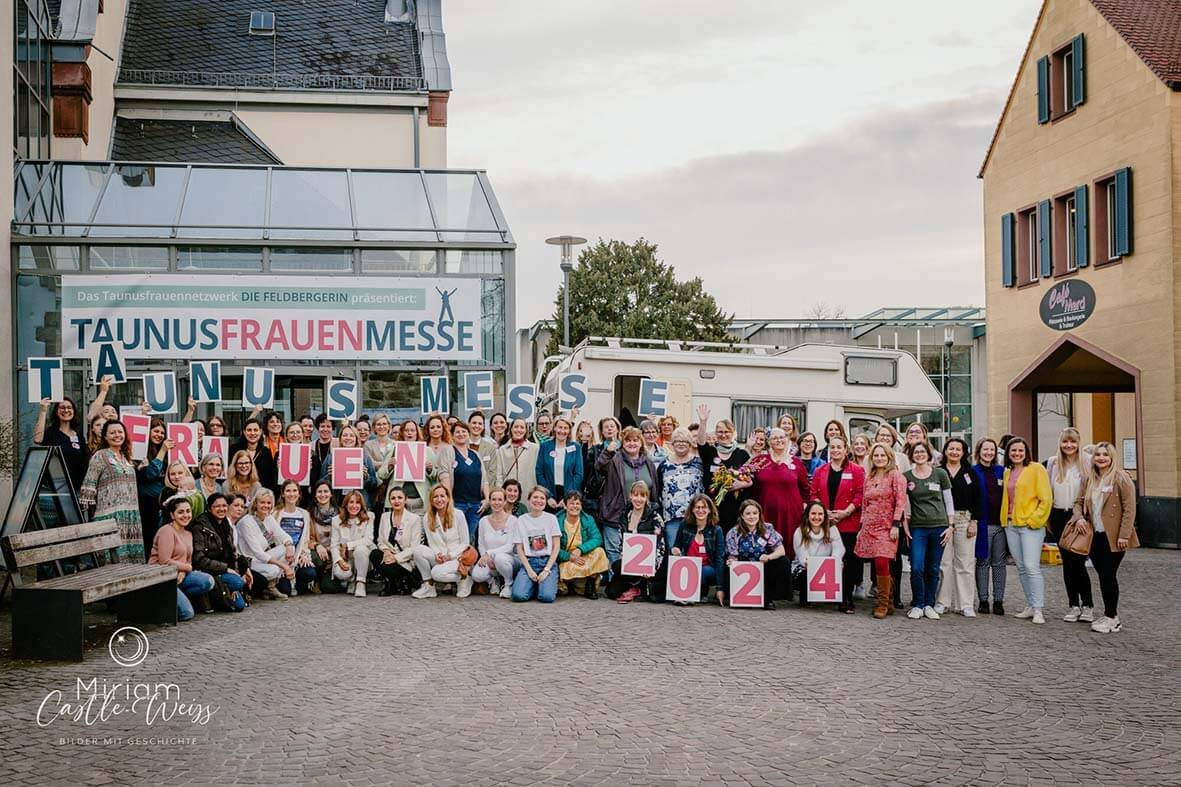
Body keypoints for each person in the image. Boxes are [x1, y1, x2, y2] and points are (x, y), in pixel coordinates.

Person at [1071, 441, 1139, 633]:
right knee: (1103, 575)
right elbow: (1078, 502)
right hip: (1094, 536)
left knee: (1109, 575)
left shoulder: (1121, 478)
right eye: (1098, 455)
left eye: (1105, 455)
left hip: (1114, 536)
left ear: (1112, 458)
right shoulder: (1089, 479)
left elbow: (1129, 509)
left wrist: (1124, 535)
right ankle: (1110, 613)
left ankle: (1112, 617)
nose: (1101, 458)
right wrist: (1079, 519)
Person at [732, 428, 810, 570]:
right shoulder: (759, 461)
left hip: (791, 515)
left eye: (782, 437)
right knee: (764, 545)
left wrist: (804, 506)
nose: (779, 440)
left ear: (788, 440)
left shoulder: (797, 463)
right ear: (769, 442)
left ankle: (788, 579)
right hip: (764, 514)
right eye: (775, 438)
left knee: (788, 546)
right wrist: (740, 482)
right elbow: (742, 476)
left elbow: (805, 490)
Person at [1000, 437, 1052, 625]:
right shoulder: (1008, 472)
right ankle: (1030, 604)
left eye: (1020, 450)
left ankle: (1038, 609)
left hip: (1030, 526)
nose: (1017, 454)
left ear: (1026, 452)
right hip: (1011, 524)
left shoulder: (1036, 469)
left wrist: (1034, 520)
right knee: (1021, 567)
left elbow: (1046, 498)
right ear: (1008, 453)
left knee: (1031, 567)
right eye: (1013, 451)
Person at [810, 435, 865, 613]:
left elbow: (860, 495)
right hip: (825, 521)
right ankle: (828, 594)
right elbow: (813, 494)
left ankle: (846, 598)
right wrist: (824, 512)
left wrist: (845, 512)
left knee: (848, 560)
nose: (835, 450)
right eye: (832, 447)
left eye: (839, 447)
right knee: (828, 558)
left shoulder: (856, 470)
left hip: (848, 521)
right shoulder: (820, 470)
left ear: (846, 449)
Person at [595, 426, 659, 572]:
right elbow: (599, 467)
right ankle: (615, 584)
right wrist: (608, 452)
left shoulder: (649, 463)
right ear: (622, 443)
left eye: (635, 440)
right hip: (615, 513)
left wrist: (654, 509)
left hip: (641, 516)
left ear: (641, 443)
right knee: (614, 552)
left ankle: (634, 586)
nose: (632, 443)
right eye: (628, 440)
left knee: (636, 551)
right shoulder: (615, 460)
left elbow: (654, 487)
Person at [79, 420, 144, 561]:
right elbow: (89, 484)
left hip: (130, 517)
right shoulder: (100, 456)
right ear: (105, 437)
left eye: (120, 432)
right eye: (112, 432)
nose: (117, 435)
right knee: (113, 560)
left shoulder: (127, 458)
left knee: (131, 560)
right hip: (110, 517)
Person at [855, 444, 907, 619]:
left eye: (882, 455)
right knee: (876, 563)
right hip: (869, 525)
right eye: (876, 455)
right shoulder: (869, 477)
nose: (879, 458)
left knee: (882, 562)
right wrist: (862, 526)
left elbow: (900, 502)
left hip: (887, 527)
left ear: (889, 456)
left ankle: (882, 603)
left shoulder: (895, 476)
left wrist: (895, 525)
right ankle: (890, 601)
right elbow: (864, 504)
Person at [903, 442, 954, 620]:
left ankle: (929, 604)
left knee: (933, 567)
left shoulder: (940, 473)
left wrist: (951, 525)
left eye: (922, 452)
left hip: (939, 526)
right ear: (912, 455)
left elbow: (948, 501)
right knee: (917, 566)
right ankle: (917, 604)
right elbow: (902, 504)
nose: (919, 455)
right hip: (918, 528)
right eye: (916, 452)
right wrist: (905, 527)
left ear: (928, 454)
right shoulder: (907, 476)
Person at [1046, 427, 1092, 621]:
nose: (1069, 445)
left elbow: (1089, 491)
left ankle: (1088, 605)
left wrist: (1082, 515)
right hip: (1058, 516)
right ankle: (1073, 605)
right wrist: (1047, 518)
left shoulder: (1087, 462)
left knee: (1079, 561)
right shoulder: (1053, 463)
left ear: (1078, 442)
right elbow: (1048, 490)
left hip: (1078, 517)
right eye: (1065, 442)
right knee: (1067, 564)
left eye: (1072, 442)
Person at [933, 438, 980, 617]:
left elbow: (978, 498)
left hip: (964, 519)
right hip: (942, 521)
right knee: (944, 562)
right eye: (950, 448)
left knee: (965, 563)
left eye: (958, 449)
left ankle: (965, 604)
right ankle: (943, 602)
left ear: (963, 452)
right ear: (945, 451)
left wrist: (974, 521)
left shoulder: (970, 473)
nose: (954, 452)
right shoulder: (938, 472)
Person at [150, 495, 215, 620]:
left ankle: (177, 598)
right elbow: (164, 561)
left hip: (179, 575)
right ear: (172, 515)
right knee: (187, 614)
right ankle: (163, 602)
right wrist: (187, 567)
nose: (185, 515)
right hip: (161, 577)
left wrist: (183, 571)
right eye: (180, 512)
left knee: (208, 581)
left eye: (188, 511)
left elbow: (187, 558)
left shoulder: (188, 533)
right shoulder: (166, 531)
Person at [604, 481, 666, 603]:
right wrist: (623, 554)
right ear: (630, 496)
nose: (638, 499)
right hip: (631, 563)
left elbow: (660, 546)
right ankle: (634, 586)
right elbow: (623, 541)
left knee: (618, 570)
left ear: (646, 498)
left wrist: (652, 568)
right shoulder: (625, 515)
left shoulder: (655, 517)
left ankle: (639, 586)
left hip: (648, 565)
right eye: (635, 495)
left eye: (642, 496)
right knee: (611, 590)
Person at [189, 493, 252, 611]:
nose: (221, 509)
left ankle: (223, 592)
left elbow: (232, 552)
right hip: (208, 571)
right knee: (238, 583)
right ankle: (208, 596)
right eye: (217, 506)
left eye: (224, 506)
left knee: (239, 606)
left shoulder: (225, 524)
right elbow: (199, 559)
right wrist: (226, 569)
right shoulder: (200, 527)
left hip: (223, 569)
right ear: (209, 508)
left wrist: (244, 568)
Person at [411, 485, 473, 599]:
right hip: (441, 557)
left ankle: (464, 578)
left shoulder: (458, 514)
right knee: (418, 550)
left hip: (458, 557)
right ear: (431, 500)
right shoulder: (427, 518)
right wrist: (437, 554)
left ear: (448, 498)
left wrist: (450, 556)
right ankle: (428, 586)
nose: (439, 499)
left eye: (442, 496)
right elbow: (431, 542)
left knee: (436, 573)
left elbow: (465, 542)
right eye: (435, 497)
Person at [724, 499, 787, 609]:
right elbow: (732, 555)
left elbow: (781, 550)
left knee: (783, 561)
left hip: (762, 565)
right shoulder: (734, 533)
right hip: (743, 568)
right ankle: (740, 596)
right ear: (742, 516)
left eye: (755, 513)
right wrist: (731, 561)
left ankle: (768, 597)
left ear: (759, 514)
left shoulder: (767, 528)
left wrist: (769, 556)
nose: (752, 516)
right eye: (748, 514)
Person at [235, 489, 296, 600]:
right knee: (273, 569)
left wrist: (289, 546)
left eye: (268, 503)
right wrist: (284, 566)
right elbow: (258, 553)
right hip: (250, 560)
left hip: (263, 557)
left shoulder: (269, 518)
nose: (266, 506)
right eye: (262, 502)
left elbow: (284, 536)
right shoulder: (246, 522)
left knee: (288, 547)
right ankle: (270, 585)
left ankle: (271, 585)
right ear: (255, 503)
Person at [696, 409, 751, 531]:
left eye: (727, 432)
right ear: (716, 433)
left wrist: (739, 484)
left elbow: (751, 480)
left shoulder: (742, 454)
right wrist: (703, 422)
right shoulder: (710, 452)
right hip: (713, 507)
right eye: (720, 432)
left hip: (736, 508)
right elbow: (700, 442)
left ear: (733, 433)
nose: (723, 435)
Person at [655, 427, 707, 549]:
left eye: (684, 441)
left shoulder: (699, 463)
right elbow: (658, 489)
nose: (681, 444)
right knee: (674, 551)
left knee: (693, 551)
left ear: (690, 444)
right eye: (677, 441)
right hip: (671, 518)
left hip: (695, 516)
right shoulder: (664, 465)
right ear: (672, 444)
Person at [509, 487, 563, 602]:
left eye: (542, 498)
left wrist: (547, 569)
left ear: (546, 501)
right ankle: (533, 585)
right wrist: (529, 570)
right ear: (529, 500)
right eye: (535, 497)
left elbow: (556, 546)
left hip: (547, 562)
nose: (538, 501)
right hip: (529, 562)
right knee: (518, 596)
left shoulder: (551, 518)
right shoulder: (521, 520)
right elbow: (519, 548)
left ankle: (543, 584)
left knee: (546, 597)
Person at [670, 494, 726, 605]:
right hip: (687, 567)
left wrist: (720, 588)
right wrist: (675, 550)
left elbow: (720, 559)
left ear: (709, 510)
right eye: (697, 507)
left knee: (700, 571)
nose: (700, 510)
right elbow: (676, 546)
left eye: (704, 507)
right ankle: (684, 594)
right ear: (692, 509)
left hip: (708, 568)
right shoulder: (684, 525)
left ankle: (696, 594)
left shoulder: (716, 530)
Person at [972, 438, 1007, 615]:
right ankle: (983, 599)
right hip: (982, 524)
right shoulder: (972, 471)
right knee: (983, 562)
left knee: (999, 563)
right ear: (979, 451)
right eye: (985, 449)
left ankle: (999, 600)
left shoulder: (1001, 471)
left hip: (1000, 524)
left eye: (992, 450)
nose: (989, 453)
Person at [372, 486, 424, 596]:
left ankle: (403, 581)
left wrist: (395, 558)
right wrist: (386, 551)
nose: (396, 501)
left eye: (400, 498)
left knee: (388, 565)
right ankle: (390, 583)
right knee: (374, 554)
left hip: (405, 560)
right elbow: (380, 540)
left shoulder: (414, 519)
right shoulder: (384, 517)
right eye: (393, 498)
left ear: (406, 499)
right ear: (389, 500)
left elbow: (415, 547)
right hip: (388, 556)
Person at [792, 501, 846, 607]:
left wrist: (835, 563)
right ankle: (806, 597)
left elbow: (839, 549)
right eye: (813, 513)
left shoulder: (832, 529)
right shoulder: (799, 531)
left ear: (825, 516)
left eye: (820, 514)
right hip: (806, 567)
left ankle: (845, 601)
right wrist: (814, 565)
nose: (817, 517)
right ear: (807, 515)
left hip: (828, 568)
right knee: (802, 573)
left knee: (844, 567)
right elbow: (802, 555)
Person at [557, 491, 609, 599]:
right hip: (566, 559)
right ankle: (571, 584)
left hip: (583, 556)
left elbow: (597, 538)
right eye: (571, 503)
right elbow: (553, 548)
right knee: (567, 577)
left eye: (577, 503)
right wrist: (569, 556)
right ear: (565, 505)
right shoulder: (556, 521)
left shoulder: (588, 519)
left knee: (599, 552)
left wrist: (581, 549)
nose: (575, 506)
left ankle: (590, 583)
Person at [272, 480, 318, 595]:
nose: (291, 494)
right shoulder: (275, 513)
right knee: (285, 590)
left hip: (298, 555)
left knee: (309, 573)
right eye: (288, 491)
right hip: (281, 556)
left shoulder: (304, 514)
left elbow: (306, 539)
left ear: (299, 494)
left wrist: (305, 555)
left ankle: (299, 582)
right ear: (283, 494)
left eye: (294, 490)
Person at [318, 424, 381, 508]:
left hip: (359, 504)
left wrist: (366, 477)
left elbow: (374, 484)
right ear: (340, 439)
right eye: (345, 435)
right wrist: (329, 477)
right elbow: (320, 483)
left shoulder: (364, 458)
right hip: (337, 502)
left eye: (352, 435)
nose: (348, 438)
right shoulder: (331, 457)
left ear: (356, 439)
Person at [34, 396, 88, 492]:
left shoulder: (79, 436)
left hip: (76, 489)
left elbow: (85, 462)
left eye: (69, 407)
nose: (66, 410)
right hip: (55, 490)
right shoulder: (51, 433)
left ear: (74, 411)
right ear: (56, 411)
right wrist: (43, 411)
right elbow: (38, 439)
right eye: (62, 408)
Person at [471, 488, 518, 598]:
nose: (496, 503)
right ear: (490, 501)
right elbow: (481, 544)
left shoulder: (513, 520)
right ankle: (493, 581)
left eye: (500, 500)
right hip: (489, 558)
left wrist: (490, 554)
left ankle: (508, 584)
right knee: (476, 575)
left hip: (508, 559)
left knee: (500, 558)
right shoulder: (483, 521)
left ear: (505, 501)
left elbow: (510, 547)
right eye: (493, 499)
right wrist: (486, 557)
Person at [330, 490, 377, 598]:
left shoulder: (369, 517)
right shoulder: (336, 520)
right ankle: (351, 580)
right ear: (345, 504)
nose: (354, 506)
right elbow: (334, 544)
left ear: (361, 504)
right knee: (341, 573)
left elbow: (368, 539)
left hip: (364, 556)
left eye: (357, 502)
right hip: (346, 557)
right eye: (351, 502)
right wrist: (339, 560)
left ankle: (361, 582)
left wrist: (348, 545)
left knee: (360, 549)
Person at [135, 419, 171, 555]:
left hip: (162, 502)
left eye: (162, 432)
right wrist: (162, 451)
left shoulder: (168, 453)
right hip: (146, 504)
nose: (159, 435)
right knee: (149, 538)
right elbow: (150, 474)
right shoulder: (140, 451)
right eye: (156, 431)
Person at [450, 420, 489, 542]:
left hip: (475, 505)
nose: (461, 434)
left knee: (471, 538)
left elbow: (484, 480)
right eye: (457, 432)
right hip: (457, 504)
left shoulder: (475, 454)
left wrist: (487, 499)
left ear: (468, 434)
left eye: (464, 431)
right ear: (452, 435)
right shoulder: (449, 453)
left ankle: (469, 561)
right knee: (457, 538)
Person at [536, 417, 584, 514]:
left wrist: (568, 497)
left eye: (565, 428)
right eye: (560, 427)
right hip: (549, 492)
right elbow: (539, 472)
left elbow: (579, 474)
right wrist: (547, 496)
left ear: (569, 431)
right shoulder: (545, 446)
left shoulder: (575, 447)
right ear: (554, 428)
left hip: (569, 493)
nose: (562, 431)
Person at [582, 416, 622, 522]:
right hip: (598, 498)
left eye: (612, 426)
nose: (609, 429)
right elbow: (585, 468)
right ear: (602, 432)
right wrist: (585, 441)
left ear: (617, 429)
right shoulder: (595, 450)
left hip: (618, 498)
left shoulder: (625, 449)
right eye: (606, 427)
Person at [229, 418, 279, 496]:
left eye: (255, 430)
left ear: (260, 432)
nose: (252, 433)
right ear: (244, 432)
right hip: (236, 493)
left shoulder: (266, 452)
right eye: (249, 430)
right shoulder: (233, 450)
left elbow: (270, 479)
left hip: (260, 496)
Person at [308, 481, 340, 593]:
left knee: (330, 588)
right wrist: (317, 545)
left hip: (334, 553)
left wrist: (333, 550)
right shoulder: (309, 514)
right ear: (315, 495)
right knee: (319, 560)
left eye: (326, 491)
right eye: (319, 492)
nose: (323, 494)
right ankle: (315, 580)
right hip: (318, 553)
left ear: (331, 494)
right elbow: (306, 538)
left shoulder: (340, 514)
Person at [492, 418, 539, 493]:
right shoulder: (502, 450)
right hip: (508, 491)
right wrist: (500, 490)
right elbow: (499, 474)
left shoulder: (535, 448)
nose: (519, 430)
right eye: (516, 427)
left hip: (528, 491)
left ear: (526, 430)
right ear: (511, 429)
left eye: (522, 427)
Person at [366, 414, 398, 516]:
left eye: (384, 424)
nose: (382, 427)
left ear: (389, 426)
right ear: (374, 427)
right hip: (375, 487)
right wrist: (387, 464)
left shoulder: (396, 444)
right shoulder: (368, 444)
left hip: (391, 484)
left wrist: (385, 466)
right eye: (378, 424)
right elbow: (370, 464)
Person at [395, 419, 425, 514]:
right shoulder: (394, 449)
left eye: (412, 430)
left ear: (417, 433)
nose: (409, 433)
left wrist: (429, 469)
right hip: (400, 502)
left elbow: (435, 474)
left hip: (420, 502)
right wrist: (389, 466)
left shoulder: (426, 450)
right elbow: (382, 474)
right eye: (407, 430)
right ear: (402, 433)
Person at [309, 415, 336, 483]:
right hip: (315, 483)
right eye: (322, 426)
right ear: (318, 428)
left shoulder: (338, 444)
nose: (325, 429)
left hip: (333, 484)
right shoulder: (310, 445)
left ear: (332, 429)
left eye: (328, 426)